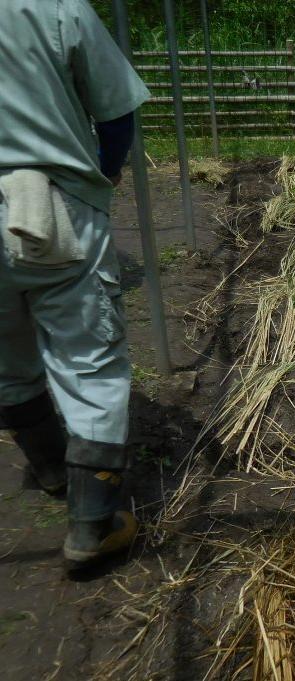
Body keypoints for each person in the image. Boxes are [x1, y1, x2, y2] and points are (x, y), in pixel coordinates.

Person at [0, 0, 150, 570]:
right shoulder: (55, 6)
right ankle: (91, 525)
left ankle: (51, 468)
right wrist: (105, 171)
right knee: (89, 360)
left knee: (6, 352)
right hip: (49, 207)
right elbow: (114, 113)